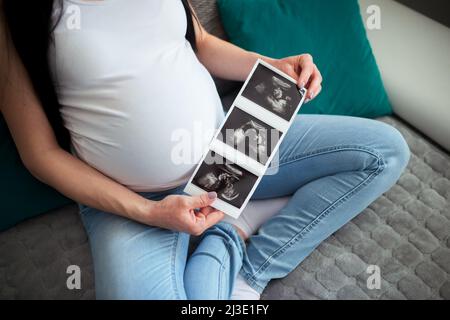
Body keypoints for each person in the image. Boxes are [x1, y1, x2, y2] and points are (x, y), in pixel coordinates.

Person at [0, 0, 410, 300]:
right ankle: (229, 227)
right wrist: (148, 212)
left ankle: (246, 261)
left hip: (230, 149)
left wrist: (271, 66)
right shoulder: (17, 15)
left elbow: (200, 43)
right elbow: (39, 154)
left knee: (384, 152)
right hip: (132, 199)